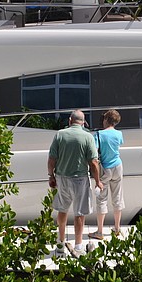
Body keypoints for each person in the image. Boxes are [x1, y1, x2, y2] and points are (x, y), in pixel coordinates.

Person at [47, 109, 103, 257]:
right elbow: (94, 162)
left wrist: (51, 176)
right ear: (83, 123)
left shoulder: (60, 134)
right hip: (80, 179)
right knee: (79, 213)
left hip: (62, 178)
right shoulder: (87, 137)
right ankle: (78, 246)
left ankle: (60, 244)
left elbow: (51, 159)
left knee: (62, 210)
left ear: (70, 121)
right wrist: (98, 181)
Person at [89, 109, 125, 239]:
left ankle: (99, 232)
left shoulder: (98, 135)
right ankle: (117, 228)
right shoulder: (119, 134)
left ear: (106, 120)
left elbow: (94, 152)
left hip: (105, 168)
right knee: (117, 198)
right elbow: (119, 145)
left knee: (102, 199)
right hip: (118, 166)